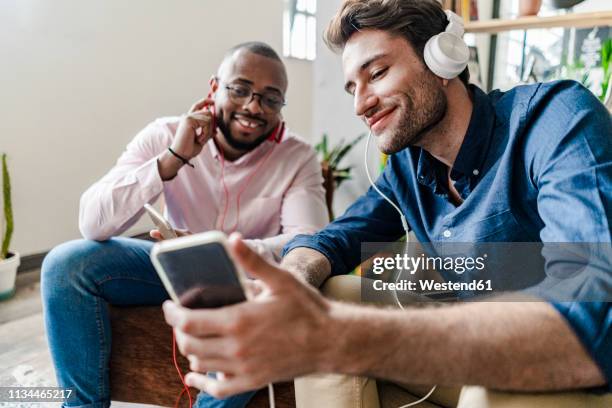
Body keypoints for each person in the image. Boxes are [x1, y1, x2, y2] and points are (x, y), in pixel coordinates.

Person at [162, 1, 612, 407]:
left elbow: (595, 312)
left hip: (577, 364)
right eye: (351, 87)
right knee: (329, 291)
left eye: (377, 74)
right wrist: (294, 276)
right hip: (468, 349)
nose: (361, 104)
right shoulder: (406, 169)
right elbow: (334, 238)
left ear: (444, 59)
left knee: (492, 386)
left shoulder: (556, 120)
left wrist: (337, 337)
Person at [41, 41, 328, 408]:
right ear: (213, 89)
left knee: (262, 323)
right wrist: (172, 159)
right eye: (240, 89)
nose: (254, 106)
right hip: (168, 268)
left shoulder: (298, 157)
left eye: (271, 99)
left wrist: (222, 249)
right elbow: (92, 223)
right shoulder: (166, 135)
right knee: (66, 264)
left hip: (245, 284)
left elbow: (307, 242)